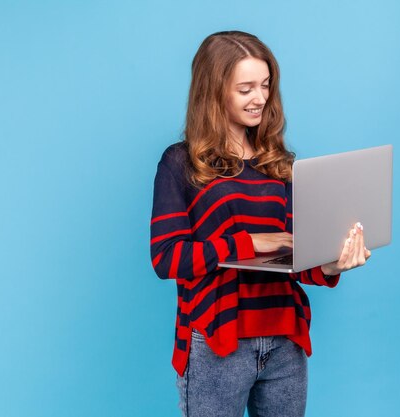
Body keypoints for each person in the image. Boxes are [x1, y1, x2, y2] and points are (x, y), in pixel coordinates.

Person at [150, 30, 371, 417]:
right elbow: (167, 259)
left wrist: (332, 264)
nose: (260, 98)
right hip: (218, 339)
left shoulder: (279, 163)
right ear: (214, 91)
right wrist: (251, 242)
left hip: (285, 338)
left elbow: (293, 255)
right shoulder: (180, 163)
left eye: (265, 85)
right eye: (246, 88)